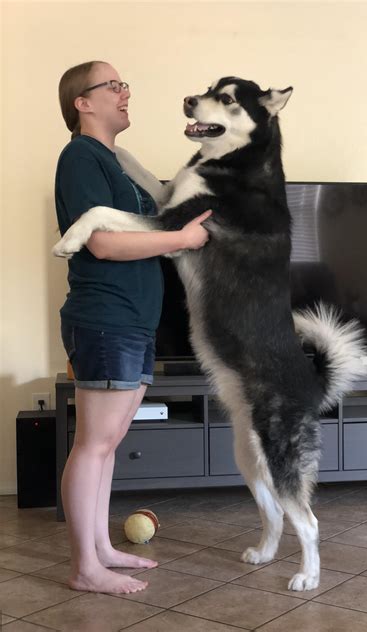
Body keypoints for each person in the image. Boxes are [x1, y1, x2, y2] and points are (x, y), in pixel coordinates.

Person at [55, 60, 211, 594]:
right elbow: (102, 242)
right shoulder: (81, 156)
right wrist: (183, 241)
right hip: (105, 318)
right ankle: (84, 568)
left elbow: (144, 224)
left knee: (108, 443)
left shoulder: (118, 162)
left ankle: (100, 549)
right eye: (114, 86)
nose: (125, 93)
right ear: (84, 102)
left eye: (126, 85)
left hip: (132, 321)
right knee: (93, 444)